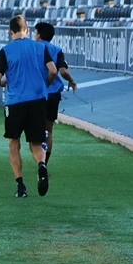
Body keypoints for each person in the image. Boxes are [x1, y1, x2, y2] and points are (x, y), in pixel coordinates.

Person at [0, 15, 57, 198]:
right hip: (37, 100)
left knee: (14, 143)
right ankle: (41, 165)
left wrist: (6, 82)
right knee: (36, 141)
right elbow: (53, 70)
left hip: (15, 102)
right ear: (27, 30)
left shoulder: (6, 51)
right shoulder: (40, 47)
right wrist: (46, 84)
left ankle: (21, 186)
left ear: (10, 32)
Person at [34, 22, 78, 165]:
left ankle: (38, 158)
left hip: (35, 93)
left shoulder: (33, 48)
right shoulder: (57, 50)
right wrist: (71, 81)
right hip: (53, 94)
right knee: (49, 130)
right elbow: (63, 71)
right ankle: (44, 163)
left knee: (34, 129)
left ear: (39, 34)